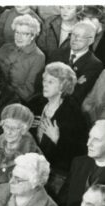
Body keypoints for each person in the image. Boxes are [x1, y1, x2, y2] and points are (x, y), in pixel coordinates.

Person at [29, 62, 88, 194]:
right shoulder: (36, 103)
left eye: (50, 82)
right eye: (44, 80)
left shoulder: (73, 114)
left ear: (62, 86)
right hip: (31, 162)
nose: (44, 84)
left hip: (56, 171)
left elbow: (78, 153)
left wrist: (57, 139)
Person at [59, 120, 105, 206]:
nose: (88, 143)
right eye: (90, 137)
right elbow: (63, 199)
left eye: (96, 140)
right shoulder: (79, 163)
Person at [0, 103, 42, 187]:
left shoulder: (33, 156)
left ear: (24, 130)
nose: (8, 132)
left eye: (13, 128)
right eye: (6, 126)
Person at [47, 21, 103, 105]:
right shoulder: (57, 53)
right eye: (73, 34)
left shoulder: (94, 64)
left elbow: (78, 93)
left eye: (81, 36)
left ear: (91, 40)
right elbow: (40, 79)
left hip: (67, 106)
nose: (75, 39)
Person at [0, 14, 46, 102]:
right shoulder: (5, 47)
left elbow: (28, 91)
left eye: (24, 34)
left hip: (13, 99)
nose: (19, 37)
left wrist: (2, 93)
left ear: (33, 36)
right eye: (17, 32)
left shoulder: (38, 57)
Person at [78, 5, 105, 70]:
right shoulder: (83, 35)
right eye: (84, 19)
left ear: (102, 19)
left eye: (91, 19)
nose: (86, 22)